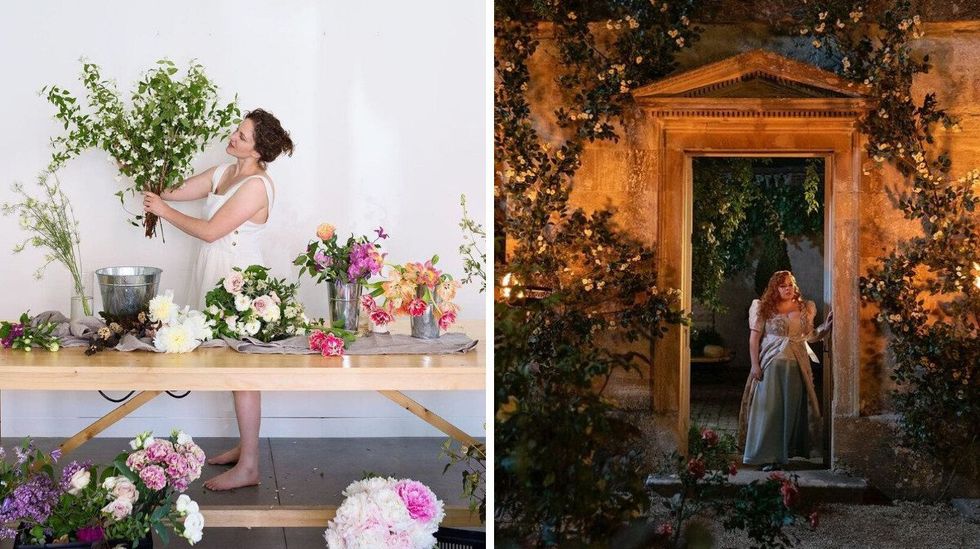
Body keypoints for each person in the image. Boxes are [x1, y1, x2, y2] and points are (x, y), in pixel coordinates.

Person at [142, 108, 293, 490]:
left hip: (240, 284)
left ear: (258, 150)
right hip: (214, 276)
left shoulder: (257, 184)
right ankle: (245, 448)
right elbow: (173, 190)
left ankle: (250, 467)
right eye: (237, 131)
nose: (233, 137)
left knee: (243, 373)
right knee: (231, 366)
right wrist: (147, 163)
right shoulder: (224, 173)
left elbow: (210, 232)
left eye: (242, 136)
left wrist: (164, 211)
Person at [738, 270, 832, 471]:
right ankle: (766, 455)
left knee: (791, 410)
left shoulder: (805, 307)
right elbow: (754, 339)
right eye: (782, 286)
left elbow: (810, 335)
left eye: (790, 284)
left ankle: (783, 455)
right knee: (770, 410)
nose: (787, 288)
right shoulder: (763, 308)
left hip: (796, 366)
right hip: (771, 364)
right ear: (775, 288)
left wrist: (826, 328)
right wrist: (755, 365)